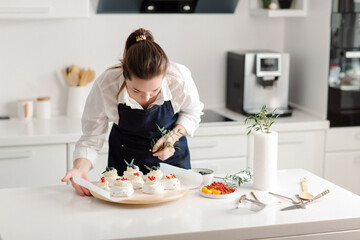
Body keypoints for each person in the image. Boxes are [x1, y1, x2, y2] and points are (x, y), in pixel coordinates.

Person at [62, 28, 204, 196]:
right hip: (123, 173)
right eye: (136, 91)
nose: (146, 97)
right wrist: (79, 168)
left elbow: (192, 113)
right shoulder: (106, 85)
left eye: (155, 90)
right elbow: (91, 139)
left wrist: (171, 138)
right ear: (124, 75)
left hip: (172, 167)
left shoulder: (179, 78)